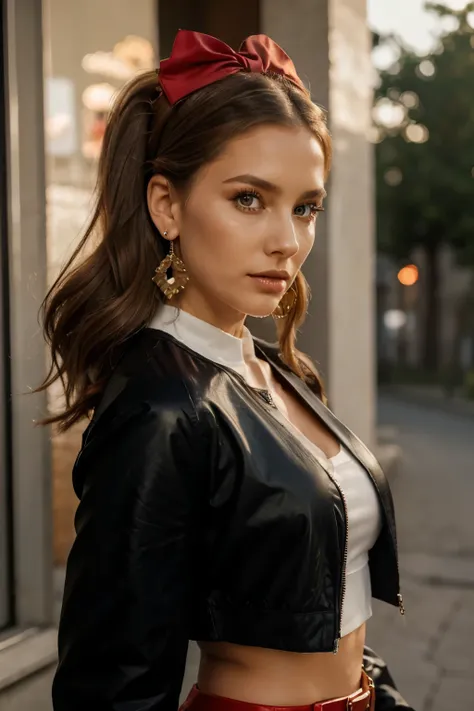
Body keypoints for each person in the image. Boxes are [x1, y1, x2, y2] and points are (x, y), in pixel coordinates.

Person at [39, 29, 414, 711]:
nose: (287, 241)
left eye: (305, 207)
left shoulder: (271, 370)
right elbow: (112, 682)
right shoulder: (159, 406)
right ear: (167, 206)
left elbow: (320, 590)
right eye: (249, 198)